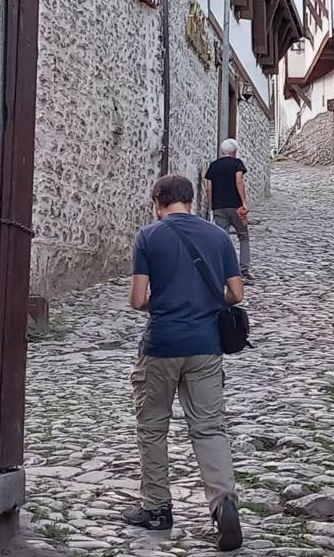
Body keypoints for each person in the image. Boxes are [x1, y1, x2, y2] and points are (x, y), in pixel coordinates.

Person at [124, 174, 246, 551]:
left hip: (161, 345)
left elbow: (137, 299)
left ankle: (157, 508)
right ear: (191, 201)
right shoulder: (217, 237)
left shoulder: (149, 236)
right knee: (209, 428)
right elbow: (236, 292)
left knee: (153, 428)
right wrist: (204, 303)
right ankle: (223, 501)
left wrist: (162, 303)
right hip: (205, 345)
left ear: (158, 201)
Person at [203, 139, 253, 280]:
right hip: (236, 207)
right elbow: (239, 181)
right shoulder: (237, 164)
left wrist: (211, 205)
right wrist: (243, 202)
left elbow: (209, 188)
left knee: (221, 237)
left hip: (219, 207)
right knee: (243, 236)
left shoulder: (213, 166)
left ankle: (221, 267)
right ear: (234, 151)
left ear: (222, 151)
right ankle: (244, 269)